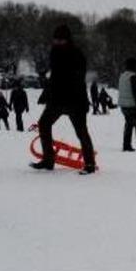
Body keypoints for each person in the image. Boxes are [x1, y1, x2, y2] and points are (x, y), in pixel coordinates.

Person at [30, 25, 96, 174]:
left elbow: (77, 78)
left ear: (67, 40)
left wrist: (66, 86)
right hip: (57, 99)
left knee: (81, 132)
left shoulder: (77, 54)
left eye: (61, 40)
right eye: (56, 40)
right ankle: (48, 160)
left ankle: (90, 164)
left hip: (75, 99)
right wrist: (46, 94)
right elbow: (55, 77)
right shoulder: (54, 53)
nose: (58, 42)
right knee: (44, 124)